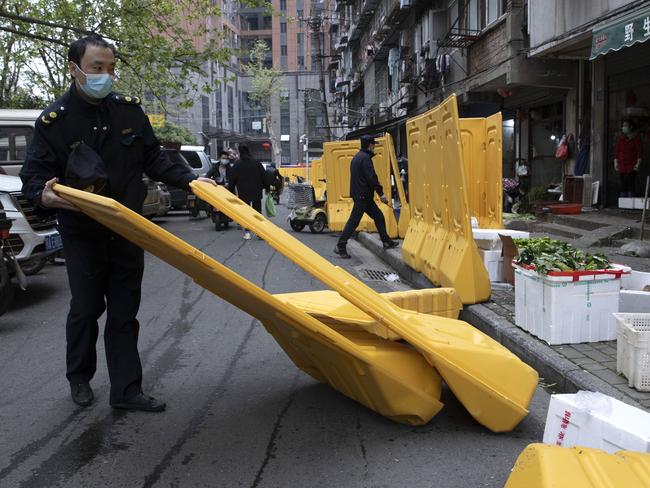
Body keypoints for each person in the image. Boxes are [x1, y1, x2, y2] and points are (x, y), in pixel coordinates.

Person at [20, 34, 216, 412]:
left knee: (125, 312)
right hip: (82, 234)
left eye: (111, 68)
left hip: (127, 229)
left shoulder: (128, 112)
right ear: (74, 69)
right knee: (86, 308)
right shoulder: (53, 122)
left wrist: (190, 180)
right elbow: (34, 176)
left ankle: (127, 390)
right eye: (97, 68)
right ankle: (79, 377)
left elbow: (154, 158)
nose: (106, 75)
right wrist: (41, 195)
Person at [334, 135, 398, 259]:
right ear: (370, 145)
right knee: (354, 221)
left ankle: (386, 241)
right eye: (374, 144)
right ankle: (340, 245)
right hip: (363, 196)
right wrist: (381, 194)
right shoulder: (365, 159)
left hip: (362, 196)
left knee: (378, 216)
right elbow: (371, 177)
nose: (374, 147)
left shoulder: (357, 158)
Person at [227, 144, 269, 240]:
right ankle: (260, 232)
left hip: (243, 193)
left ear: (240, 152)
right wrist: (267, 188)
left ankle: (247, 232)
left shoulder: (237, 164)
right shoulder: (257, 163)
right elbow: (264, 176)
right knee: (257, 212)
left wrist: (231, 192)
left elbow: (232, 180)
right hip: (257, 192)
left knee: (246, 213)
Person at [615, 119, 643, 197]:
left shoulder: (636, 138)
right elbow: (617, 151)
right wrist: (616, 162)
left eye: (626, 126)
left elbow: (639, 152)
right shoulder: (621, 138)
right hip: (622, 165)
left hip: (632, 166)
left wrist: (638, 163)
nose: (624, 127)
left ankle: (631, 201)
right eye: (623, 126)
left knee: (631, 183)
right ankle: (623, 202)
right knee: (622, 184)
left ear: (631, 127)